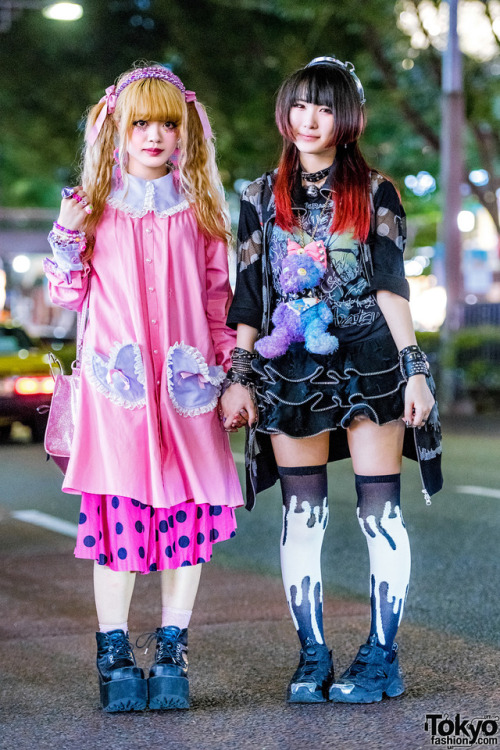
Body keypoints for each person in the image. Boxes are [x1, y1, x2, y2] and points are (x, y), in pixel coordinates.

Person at [222, 56, 442, 705]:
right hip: (291, 368)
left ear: (347, 119)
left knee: (381, 514)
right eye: (299, 105)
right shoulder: (259, 197)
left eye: (324, 107)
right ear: (286, 112)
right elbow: (249, 291)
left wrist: (414, 368)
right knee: (302, 515)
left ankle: (382, 656)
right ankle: (312, 655)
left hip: (371, 362)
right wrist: (239, 375)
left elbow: (390, 286)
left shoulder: (376, 191)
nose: (309, 119)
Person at [44, 63, 243, 713]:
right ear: (118, 130)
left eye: (166, 123)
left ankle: (171, 653)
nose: (153, 136)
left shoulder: (202, 209)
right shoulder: (93, 207)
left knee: (185, 522)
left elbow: (220, 304)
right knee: (121, 525)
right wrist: (69, 235)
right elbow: (65, 294)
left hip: (186, 394)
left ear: (184, 131)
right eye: (140, 124)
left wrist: (231, 376)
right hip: (119, 395)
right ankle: (113, 655)